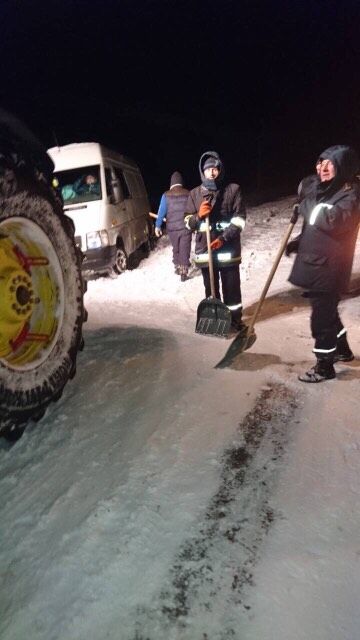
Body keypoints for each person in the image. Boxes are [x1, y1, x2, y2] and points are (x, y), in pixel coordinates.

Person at [286, 145, 360, 382]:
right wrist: (299, 241)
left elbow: (331, 219)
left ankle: (324, 365)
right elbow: (315, 225)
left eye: (330, 164)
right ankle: (342, 349)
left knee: (321, 318)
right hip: (317, 262)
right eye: (320, 163)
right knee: (327, 312)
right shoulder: (328, 193)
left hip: (329, 267)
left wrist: (306, 203)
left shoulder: (351, 195)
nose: (323, 168)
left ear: (342, 168)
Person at [184, 150, 246, 331]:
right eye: (208, 169)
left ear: (220, 170)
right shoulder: (195, 194)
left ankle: (235, 320)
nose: (211, 172)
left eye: (215, 169)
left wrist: (223, 238)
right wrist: (198, 217)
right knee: (211, 289)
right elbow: (187, 223)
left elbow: (239, 219)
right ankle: (216, 319)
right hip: (206, 252)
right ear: (202, 172)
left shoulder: (233, 190)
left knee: (232, 289)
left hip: (228, 250)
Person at [155, 171, 191, 281]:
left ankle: (177, 265)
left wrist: (158, 226)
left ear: (171, 183)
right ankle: (184, 270)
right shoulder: (188, 193)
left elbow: (161, 212)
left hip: (172, 228)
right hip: (186, 226)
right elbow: (192, 210)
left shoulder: (166, 195)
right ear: (181, 183)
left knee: (176, 247)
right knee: (184, 247)